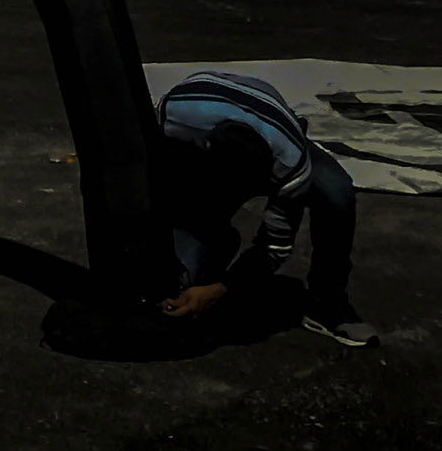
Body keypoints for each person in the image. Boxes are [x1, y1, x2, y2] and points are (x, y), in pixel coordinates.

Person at [155, 68, 378, 346]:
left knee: (337, 192)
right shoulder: (174, 118)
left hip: (277, 127)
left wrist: (219, 289)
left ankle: (328, 302)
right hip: (201, 103)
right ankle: (215, 240)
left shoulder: (292, 166)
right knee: (173, 278)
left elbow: (275, 247)